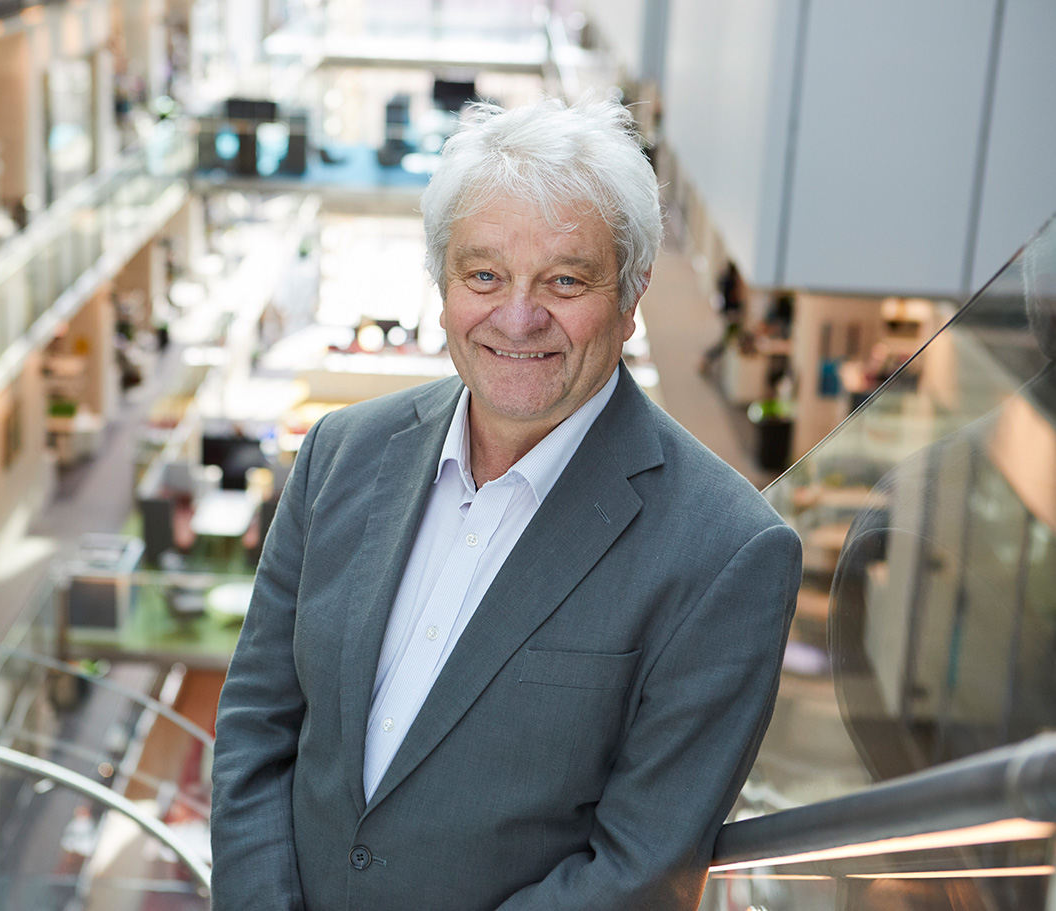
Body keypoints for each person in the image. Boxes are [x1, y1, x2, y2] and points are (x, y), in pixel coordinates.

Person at [210, 95, 803, 911]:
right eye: (483, 274)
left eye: (565, 280)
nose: (518, 317)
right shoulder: (339, 452)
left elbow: (636, 870)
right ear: (443, 284)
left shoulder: (728, 552)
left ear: (632, 298)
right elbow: (255, 725)